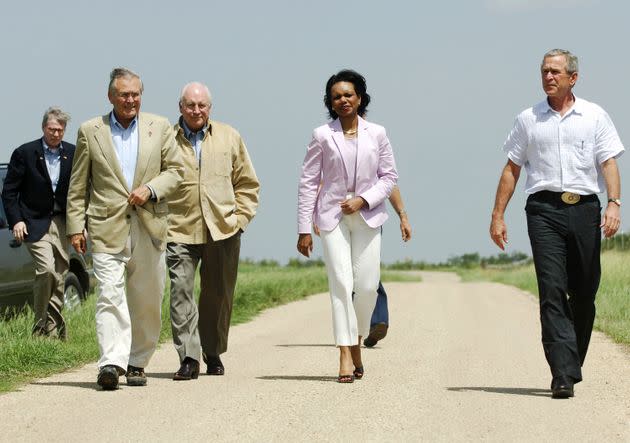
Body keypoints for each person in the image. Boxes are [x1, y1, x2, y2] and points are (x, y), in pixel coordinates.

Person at [489, 49, 623, 399]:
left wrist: (614, 203)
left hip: (585, 209)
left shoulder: (594, 116)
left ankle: (571, 358)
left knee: (584, 291)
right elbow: (511, 169)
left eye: (555, 72)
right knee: (551, 289)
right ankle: (562, 373)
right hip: (543, 210)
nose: (549, 77)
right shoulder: (528, 119)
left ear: (572, 78)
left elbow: (608, 162)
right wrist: (498, 215)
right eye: (544, 71)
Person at [66, 68, 183, 390]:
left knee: (146, 297)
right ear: (111, 97)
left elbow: (176, 171)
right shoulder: (90, 130)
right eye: (123, 95)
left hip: (150, 223)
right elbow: (78, 185)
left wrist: (151, 188)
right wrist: (75, 227)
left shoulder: (158, 127)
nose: (130, 100)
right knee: (109, 296)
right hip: (106, 226)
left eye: (135, 94)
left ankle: (137, 361)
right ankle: (110, 363)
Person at [297, 69, 398, 383]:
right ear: (330, 101)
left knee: (367, 286)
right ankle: (344, 352)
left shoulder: (378, 133)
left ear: (360, 98)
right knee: (341, 283)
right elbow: (308, 182)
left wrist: (364, 199)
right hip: (331, 218)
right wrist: (303, 227)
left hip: (368, 216)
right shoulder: (321, 135)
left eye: (348, 95)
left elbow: (389, 177)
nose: (343, 100)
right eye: (336, 96)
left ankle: (357, 339)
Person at [167, 82, 259, 380]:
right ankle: (189, 357)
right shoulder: (166, 139)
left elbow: (247, 183)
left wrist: (240, 220)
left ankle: (212, 350)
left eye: (201, 105)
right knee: (181, 291)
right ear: (180, 107)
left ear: (210, 108)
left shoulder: (230, 136)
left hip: (222, 228)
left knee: (217, 295)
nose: (196, 111)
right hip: (179, 228)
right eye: (190, 105)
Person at [1, 107, 75, 339]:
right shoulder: (25, 153)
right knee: (46, 270)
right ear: (44, 128)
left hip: (62, 222)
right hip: (34, 223)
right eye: (52, 129)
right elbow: (9, 192)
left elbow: (80, 188)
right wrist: (17, 221)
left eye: (60, 130)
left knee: (61, 276)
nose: (56, 134)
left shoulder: (73, 153)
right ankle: (40, 323)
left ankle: (50, 332)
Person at [363, 186, 412, 348]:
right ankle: (376, 321)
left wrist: (403, 217)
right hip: (358, 218)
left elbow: (389, 182)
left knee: (363, 273)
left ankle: (370, 324)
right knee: (366, 272)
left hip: (365, 219)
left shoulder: (379, 159)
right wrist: (403, 217)